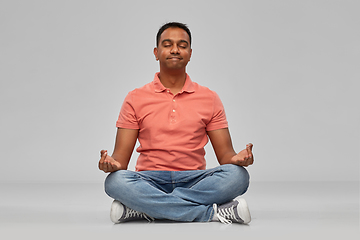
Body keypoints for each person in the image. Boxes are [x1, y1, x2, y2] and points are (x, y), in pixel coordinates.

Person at [98, 22, 254, 224]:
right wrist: (112, 164)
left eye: (182, 45)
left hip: (195, 180)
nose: (174, 50)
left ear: (190, 53)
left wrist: (238, 160)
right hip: (149, 180)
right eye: (167, 44)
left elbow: (225, 156)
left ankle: (145, 208)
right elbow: (121, 159)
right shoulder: (135, 98)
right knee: (115, 182)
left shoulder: (209, 98)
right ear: (156, 52)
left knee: (238, 176)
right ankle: (211, 214)